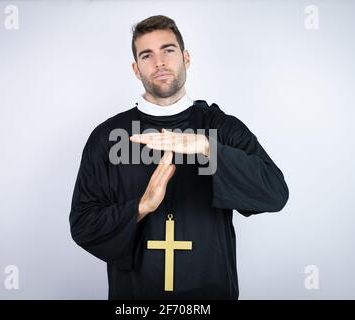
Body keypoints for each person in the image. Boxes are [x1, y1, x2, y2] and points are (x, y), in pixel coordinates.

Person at [69, 15, 289, 300]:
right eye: (147, 55)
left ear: (186, 57)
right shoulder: (109, 136)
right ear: (136, 70)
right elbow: (83, 225)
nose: (159, 62)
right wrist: (141, 206)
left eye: (168, 50)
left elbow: (274, 194)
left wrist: (209, 147)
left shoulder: (221, 128)